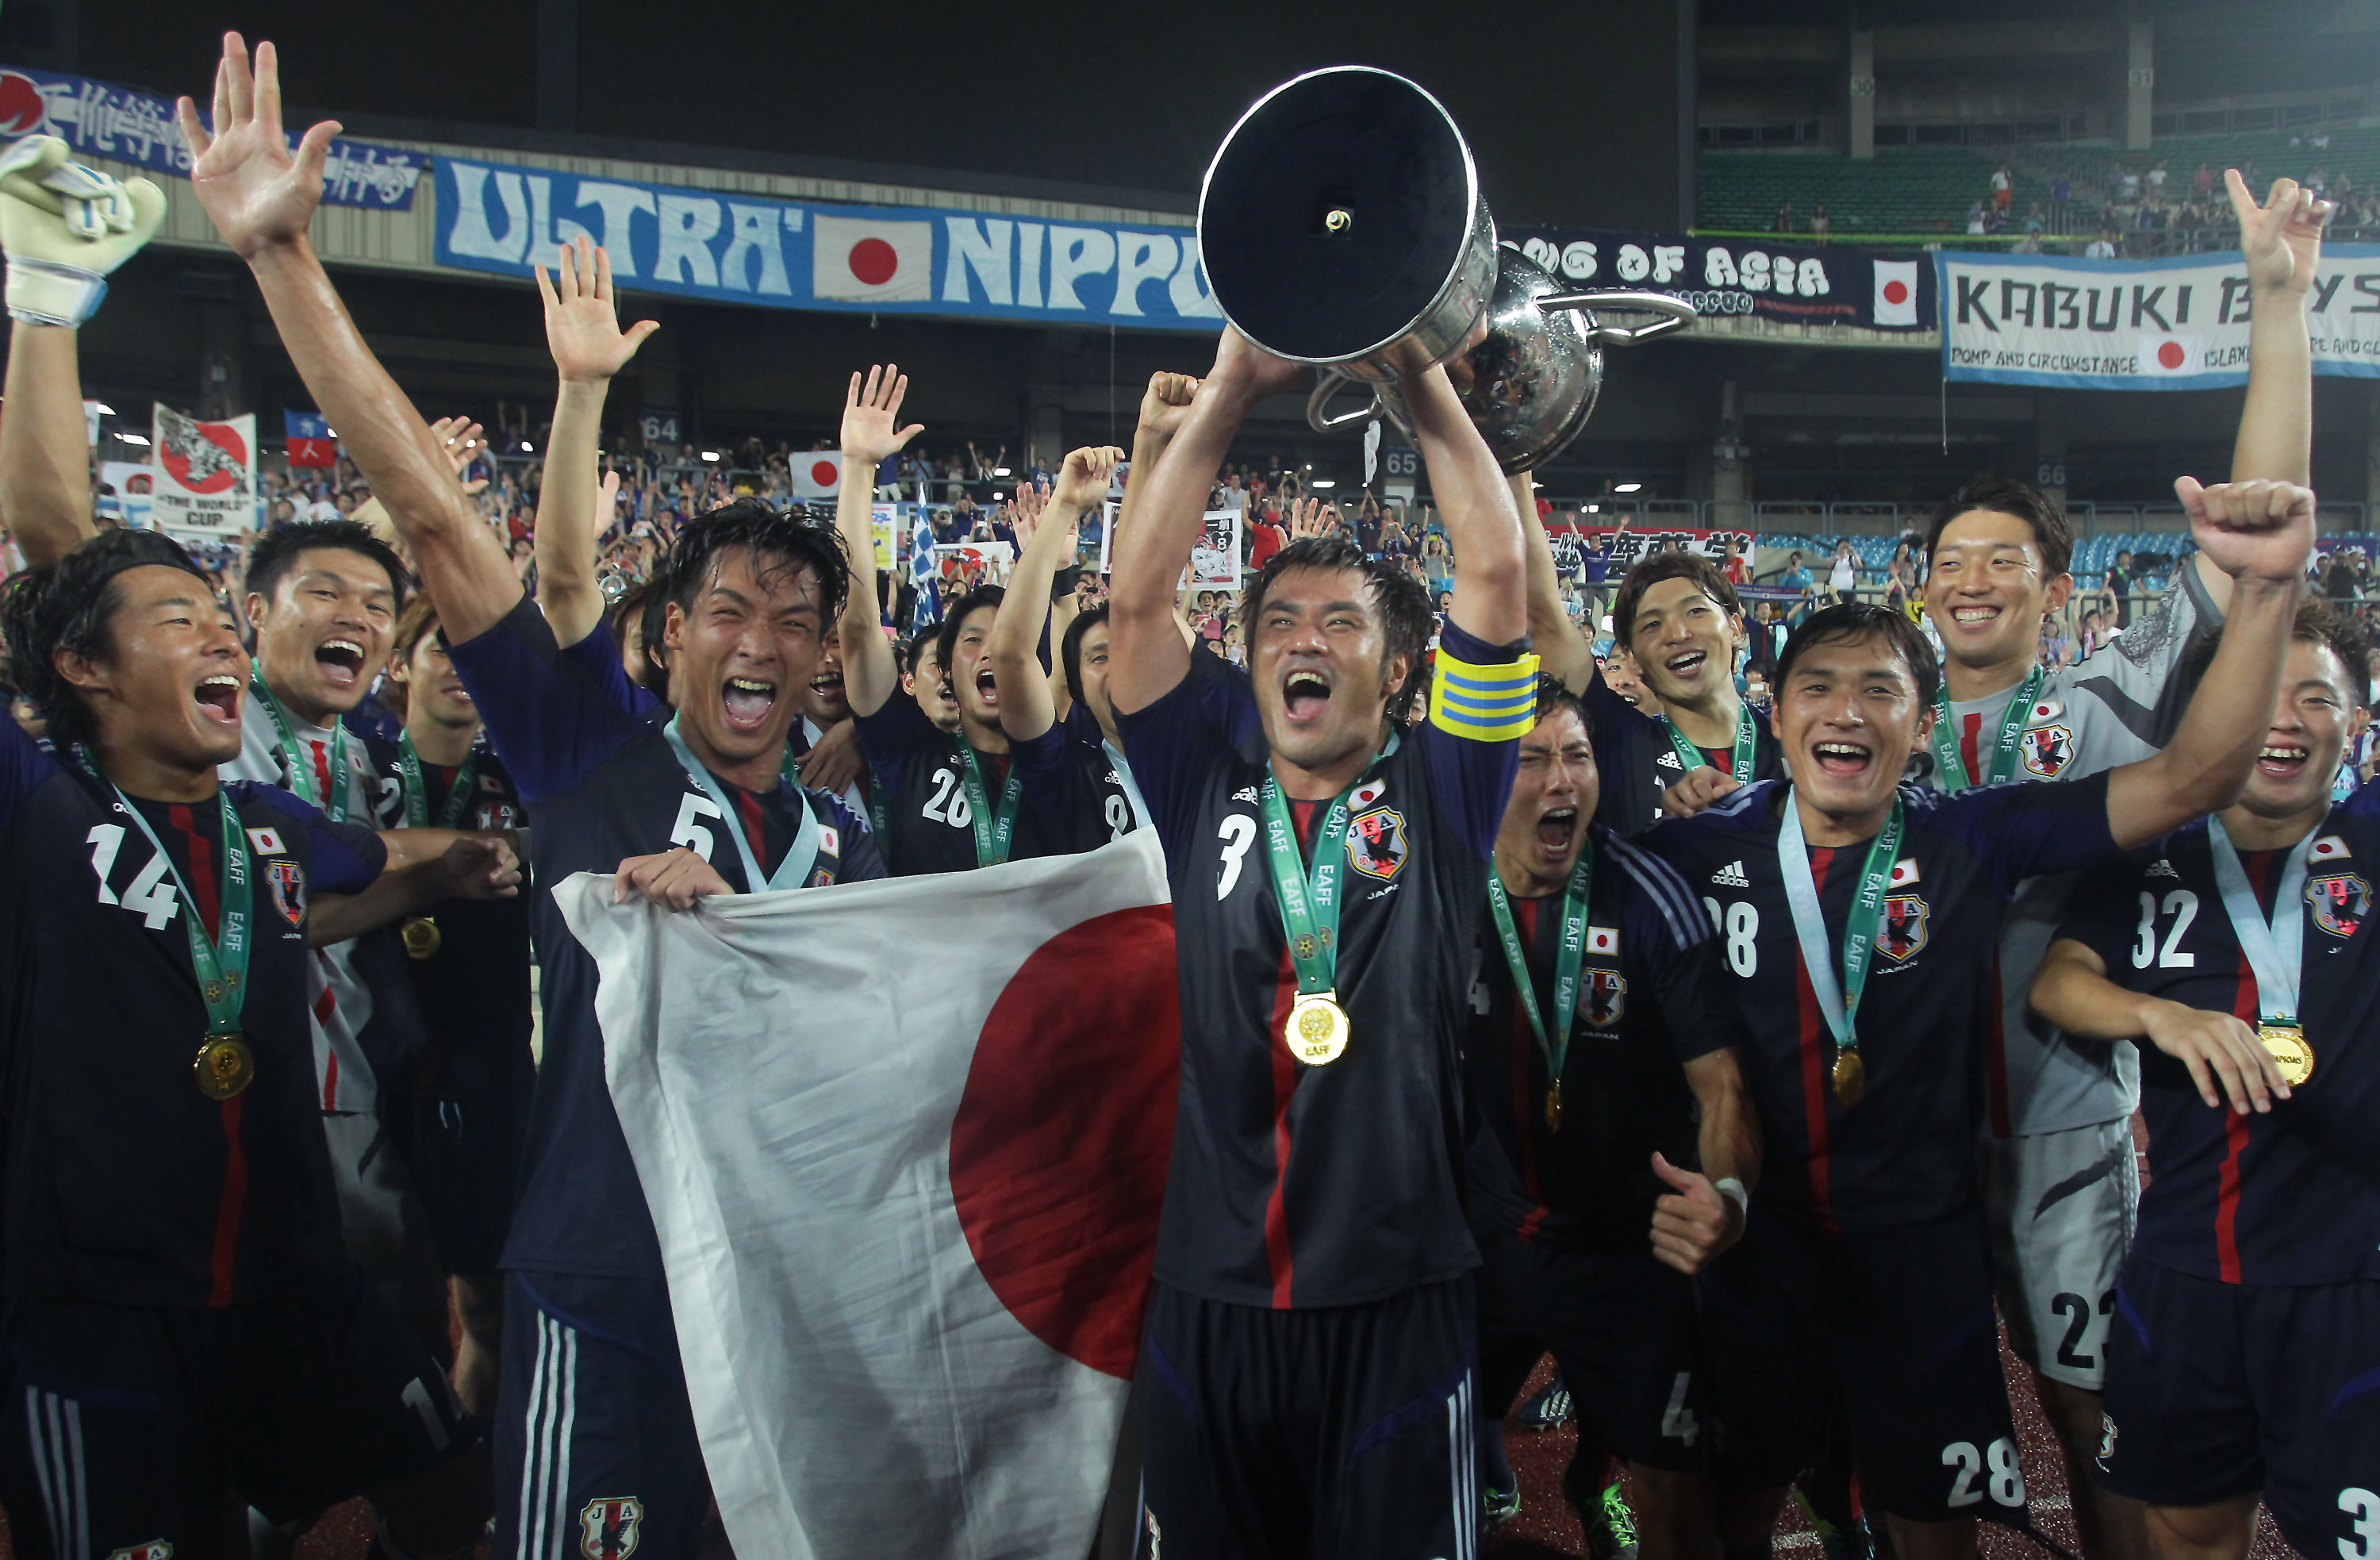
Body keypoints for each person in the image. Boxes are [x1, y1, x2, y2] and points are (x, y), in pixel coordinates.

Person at [173, 33, 883, 1547]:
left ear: (826, 657)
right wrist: (284, 257)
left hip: (781, 1282)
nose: (760, 641)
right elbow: (436, 521)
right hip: (608, 1270)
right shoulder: (581, 753)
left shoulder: (849, 835)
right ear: (671, 636)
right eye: (727, 610)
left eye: (793, 621)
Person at [1649, 464, 2309, 1560]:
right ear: (1777, 711)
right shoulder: (1697, 843)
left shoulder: (1970, 836)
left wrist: (2269, 589)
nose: (1846, 711)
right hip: (1762, 1233)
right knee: (1731, 1505)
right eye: (1818, 687)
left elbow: (2195, 775)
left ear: (1921, 723)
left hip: (1925, 1239)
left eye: (1879, 690)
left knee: (1939, 1515)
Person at [0, 525, 515, 1558]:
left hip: (298, 1280)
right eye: (178, 620)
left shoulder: (266, 824)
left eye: (220, 620)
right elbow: (48, 510)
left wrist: (443, 874)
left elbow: (336, 891)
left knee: (455, 1489)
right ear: (84, 665)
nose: (222, 640)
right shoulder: (37, 807)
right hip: (106, 1307)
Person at [1107, 331, 1536, 1556]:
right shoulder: (1199, 781)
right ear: (1247, 666)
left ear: (1398, 671)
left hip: (1397, 1297)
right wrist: (1234, 384)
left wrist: (1415, 366)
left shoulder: (1449, 787)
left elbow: (1495, 569)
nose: (1304, 640)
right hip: (1210, 1292)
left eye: (1341, 623)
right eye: (1280, 622)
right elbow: (1135, 603)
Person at [2030, 600, 2378, 1560]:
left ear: (2356, 722)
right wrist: (2157, 1014)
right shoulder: (2152, 857)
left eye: (2319, 698)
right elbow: (2058, 981)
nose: (2286, 719)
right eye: (2262, 694)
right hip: (2186, 1272)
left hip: (2351, 1282)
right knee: (2188, 1531)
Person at [1463, 678, 1757, 1552]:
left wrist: (1729, 1196)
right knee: (1418, 1470)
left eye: (1578, 756)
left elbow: (1724, 1085)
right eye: (1531, 760)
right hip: (1481, 1244)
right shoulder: (1442, 890)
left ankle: (1591, 1486)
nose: (1561, 780)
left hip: (1625, 1252)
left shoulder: (1650, 896)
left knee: (1675, 1494)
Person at [362, 594, 535, 1419]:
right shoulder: (357, 775)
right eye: (441, 649)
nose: (461, 669)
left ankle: (476, 1466)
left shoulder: (521, 782)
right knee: (392, 1310)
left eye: (474, 655)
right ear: (401, 664)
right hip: (373, 1075)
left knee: (488, 1307)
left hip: (486, 1072)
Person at [834, 366, 1087, 874]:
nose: (992, 650)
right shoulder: (906, 750)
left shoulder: (1050, 760)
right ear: (947, 670)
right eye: (972, 639)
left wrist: (1061, 570)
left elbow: (1064, 678)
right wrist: (859, 467)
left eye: (1004, 640)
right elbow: (858, 630)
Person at [987, 440, 1145, 850]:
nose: (1118, 666)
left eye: (1127, 652)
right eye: (1099, 658)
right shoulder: (1064, 765)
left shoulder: (1196, 749)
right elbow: (1013, 656)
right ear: (1079, 688)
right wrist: (1061, 517)